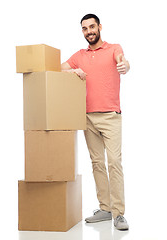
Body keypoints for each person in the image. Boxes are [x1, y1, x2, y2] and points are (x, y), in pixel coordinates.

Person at [61, 13, 130, 231]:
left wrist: (125, 65)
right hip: (87, 117)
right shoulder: (79, 55)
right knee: (97, 163)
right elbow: (58, 67)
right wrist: (74, 71)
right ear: (82, 31)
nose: (89, 31)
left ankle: (119, 214)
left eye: (92, 27)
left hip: (110, 115)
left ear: (99, 27)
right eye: (84, 28)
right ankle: (105, 208)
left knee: (114, 163)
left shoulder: (113, 49)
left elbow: (123, 61)